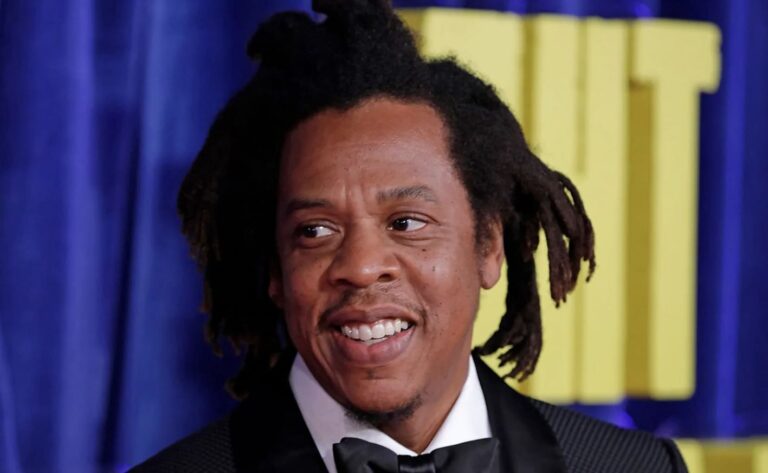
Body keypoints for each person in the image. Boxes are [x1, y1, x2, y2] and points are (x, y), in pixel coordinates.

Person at [131, 0, 688, 471]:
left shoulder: (638, 467)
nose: (361, 266)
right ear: (276, 271)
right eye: (316, 230)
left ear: (488, 245)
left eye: (406, 223)